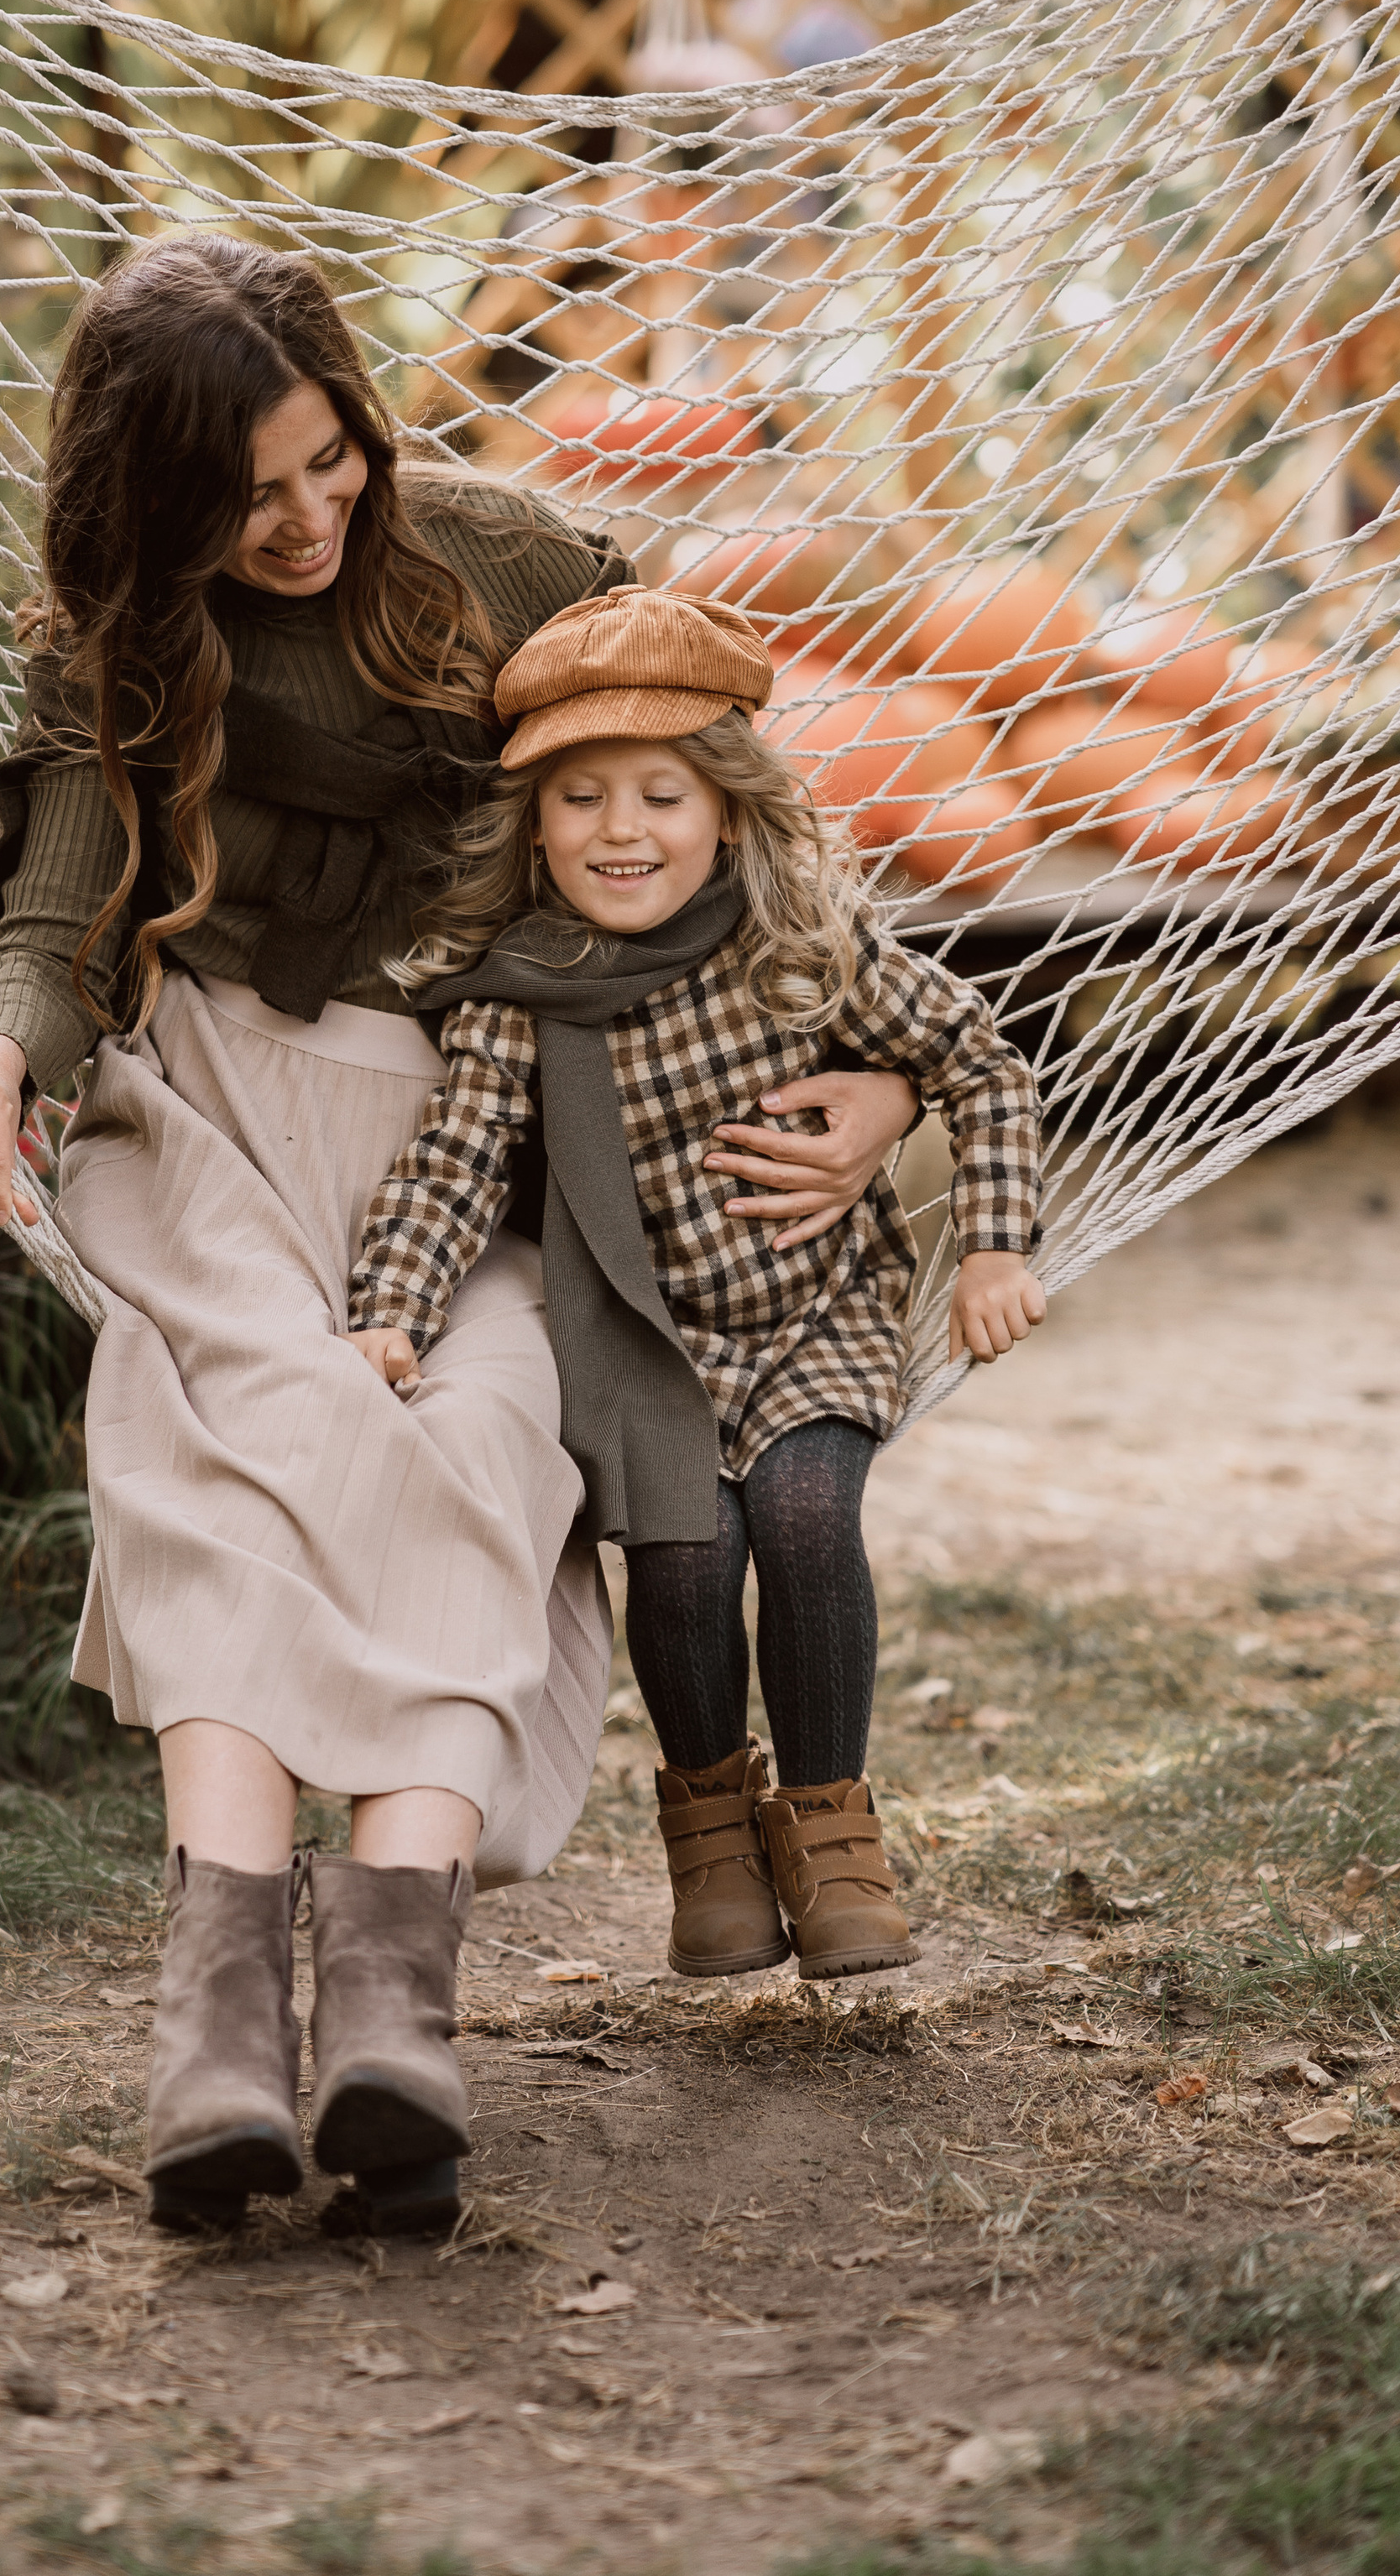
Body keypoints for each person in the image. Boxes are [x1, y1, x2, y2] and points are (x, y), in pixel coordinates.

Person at [0, 237, 922, 2234]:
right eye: (243, 495)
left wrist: (874, 1073)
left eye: (326, 460)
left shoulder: (501, 564)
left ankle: (385, 2022)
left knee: (484, 1456)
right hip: (207, 1118)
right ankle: (209, 2041)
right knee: (213, 1460)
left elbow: (727, 821)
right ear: (151, 503)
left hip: (500, 1135)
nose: (302, 520)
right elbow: (57, 921)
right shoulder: (117, 645)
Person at [347, 587, 1046, 1984]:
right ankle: (715, 1836)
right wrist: (389, 1315)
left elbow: (981, 1059)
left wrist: (994, 1244)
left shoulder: (798, 951)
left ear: (723, 808)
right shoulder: (516, 997)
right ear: (533, 825)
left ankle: (836, 1834)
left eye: (660, 794)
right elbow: (454, 1169)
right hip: (648, 1343)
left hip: (812, 1312)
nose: (622, 830)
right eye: (582, 799)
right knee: (681, 1558)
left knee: (797, 1516)